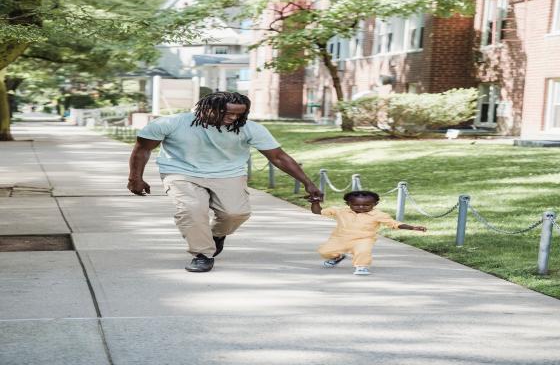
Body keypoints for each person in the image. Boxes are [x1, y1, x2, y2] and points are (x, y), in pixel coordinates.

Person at [128, 91, 322, 273]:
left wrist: (307, 182)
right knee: (191, 209)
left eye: (239, 115)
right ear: (206, 108)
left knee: (235, 214)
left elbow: (278, 157)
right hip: (181, 172)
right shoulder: (171, 123)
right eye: (227, 113)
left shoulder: (250, 128)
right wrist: (135, 178)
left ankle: (217, 234)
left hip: (228, 173)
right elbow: (142, 149)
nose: (233, 118)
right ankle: (202, 254)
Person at [310, 190, 426, 276]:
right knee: (324, 251)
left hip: (364, 239)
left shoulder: (379, 215)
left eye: (366, 205)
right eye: (356, 205)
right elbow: (318, 211)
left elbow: (393, 223)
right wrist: (315, 202)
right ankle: (337, 257)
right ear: (348, 204)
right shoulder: (340, 211)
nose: (361, 207)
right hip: (340, 238)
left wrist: (411, 227)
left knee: (363, 251)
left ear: (375, 204)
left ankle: (361, 267)